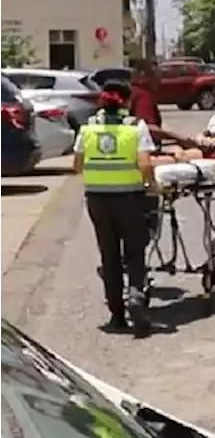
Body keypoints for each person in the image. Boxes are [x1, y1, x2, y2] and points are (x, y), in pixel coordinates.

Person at [73, 80, 157, 337]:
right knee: (134, 251)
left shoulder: (88, 129)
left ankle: (117, 315)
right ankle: (135, 296)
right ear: (127, 102)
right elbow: (144, 164)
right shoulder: (135, 127)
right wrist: (151, 185)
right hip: (129, 199)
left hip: (98, 200)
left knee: (109, 255)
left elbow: (77, 165)